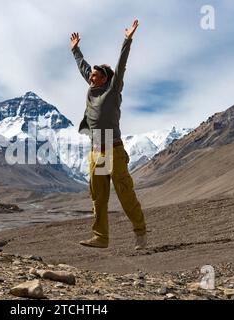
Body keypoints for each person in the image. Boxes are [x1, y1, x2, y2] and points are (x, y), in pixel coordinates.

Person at [71, 20, 147, 250]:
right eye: (91, 76)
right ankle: (101, 238)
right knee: (98, 198)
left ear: (104, 78)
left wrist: (128, 40)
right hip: (97, 153)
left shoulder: (112, 91)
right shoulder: (92, 89)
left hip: (113, 150)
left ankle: (140, 232)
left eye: (95, 76)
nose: (91, 78)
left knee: (125, 194)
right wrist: (75, 49)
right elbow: (83, 66)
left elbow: (121, 65)